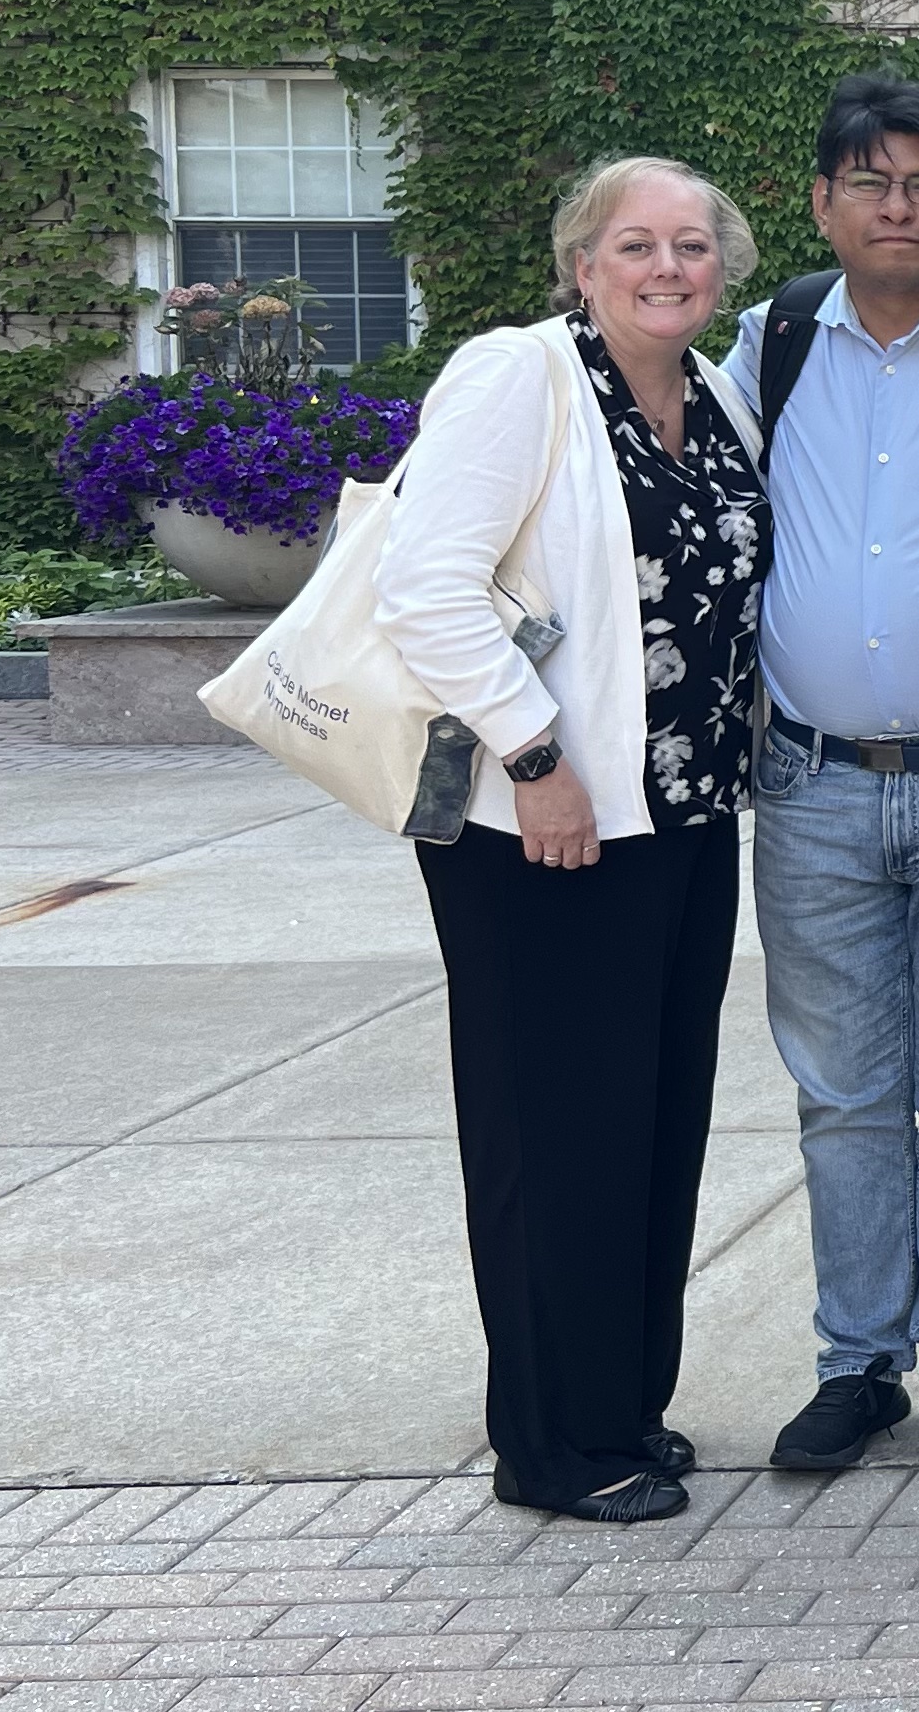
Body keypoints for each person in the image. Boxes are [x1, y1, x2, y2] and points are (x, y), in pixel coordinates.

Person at [374, 155, 768, 1525]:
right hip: (542, 829)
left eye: (692, 245)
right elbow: (424, 586)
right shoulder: (520, 377)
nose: (668, 266)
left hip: (682, 818)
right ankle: (551, 1445)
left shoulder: (713, 394)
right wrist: (535, 758)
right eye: (635, 244)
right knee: (553, 1135)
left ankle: (624, 1406)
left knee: (649, 1122)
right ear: (583, 264)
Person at [726, 74, 919, 1474]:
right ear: (822, 203)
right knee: (843, 1096)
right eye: (868, 181)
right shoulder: (773, 342)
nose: (895, 206)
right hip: (812, 787)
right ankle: (855, 1364)